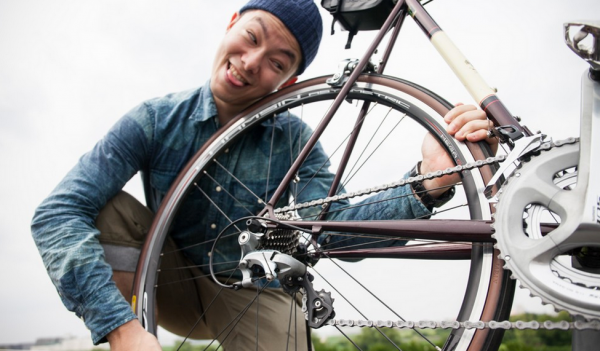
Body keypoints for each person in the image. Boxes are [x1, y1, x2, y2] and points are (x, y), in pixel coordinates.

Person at [31, 0, 496, 350]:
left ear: (289, 83)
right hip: (164, 280)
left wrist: (429, 182)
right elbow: (56, 213)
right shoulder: (155, 119)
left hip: (253, 291)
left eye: (277, 61)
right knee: (100, 207)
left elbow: (333, 229)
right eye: (252, 37)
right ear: (232, 22)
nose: (252, 62)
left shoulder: (295, 138)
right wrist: (120, 327)